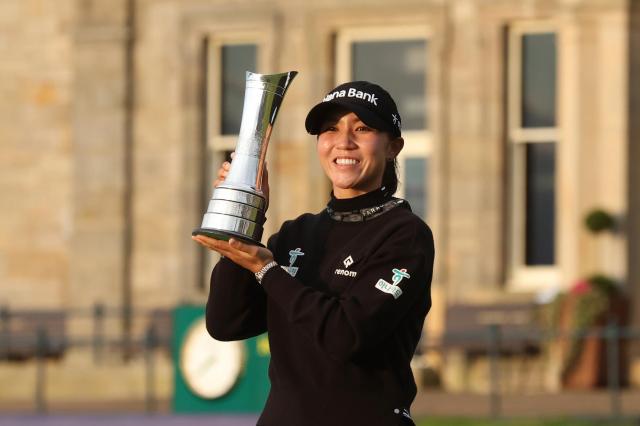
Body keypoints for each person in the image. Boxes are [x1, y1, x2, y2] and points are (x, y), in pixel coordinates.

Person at [192, 81, 435, 426]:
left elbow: (346, 334)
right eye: (330, 129)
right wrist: (247, 216)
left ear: (393, 146)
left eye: (362, 128)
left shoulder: (405, 235)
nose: (344, 141)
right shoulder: (295, 234)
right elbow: (226, 323)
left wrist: (266, 269)